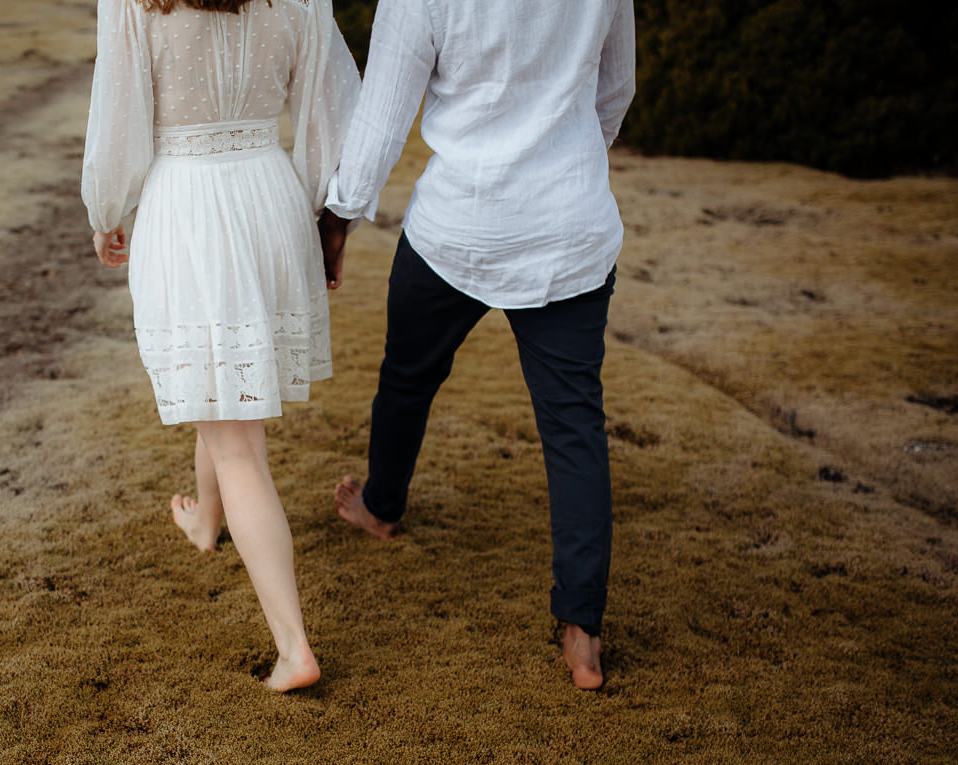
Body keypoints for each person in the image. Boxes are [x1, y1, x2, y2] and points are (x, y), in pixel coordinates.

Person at [317, 0, 635, 690]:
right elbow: (616, 89)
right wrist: (567, 163)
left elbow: (384, 112)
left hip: (458, 226)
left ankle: (380, 505)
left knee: (407, 374)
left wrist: (339, 215)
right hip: (568, 223)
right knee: (575, 426)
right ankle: (583, 632)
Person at [82, 0, 360, 692]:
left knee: (238, 443)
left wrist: (106, 210)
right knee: (222, 376)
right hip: (270, 199)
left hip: (191, 208)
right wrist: (325, 208)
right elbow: (333, 112)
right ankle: (208, 519)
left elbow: (118, 116)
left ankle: (294, 648)